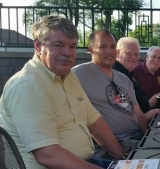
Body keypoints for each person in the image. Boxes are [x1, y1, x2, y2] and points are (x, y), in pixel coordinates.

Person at [0, 15, 125, 169]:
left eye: (72, 46)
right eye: (58, 45)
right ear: (38, 46)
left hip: (86, 162)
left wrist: (125, 158)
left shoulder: (68, 76)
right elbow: (48, 155)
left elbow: (94, 122)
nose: (67, 52)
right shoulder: (28, 85)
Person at [72, 30, 160, 159]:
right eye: (103, 47)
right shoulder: (79, 75)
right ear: (91, 50)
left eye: (112, 47)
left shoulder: (124, 79)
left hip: (137, 139)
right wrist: (124, 157)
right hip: (116, 145)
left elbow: (139, 116)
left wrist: (151, 140)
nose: (109, 51)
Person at [113, 37, 151, 113]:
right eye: (129, 53)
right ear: (118, 53)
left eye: (136, 54)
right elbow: (122, 103)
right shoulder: (114, 73)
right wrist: (144, 117)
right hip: (132, 122)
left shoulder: (129, 72)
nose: (133, 57)